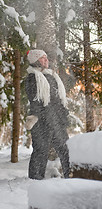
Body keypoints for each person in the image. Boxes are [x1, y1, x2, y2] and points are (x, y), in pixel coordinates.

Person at [25, 49, 70, 180]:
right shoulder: (32, 78)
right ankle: (34, 180)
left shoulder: (51, 77)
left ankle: (70, 177)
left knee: (65, 150)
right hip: (41, 121)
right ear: (35, 61)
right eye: (42, 58)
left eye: (46, 57)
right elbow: (36, 101)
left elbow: (57, 100)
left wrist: (63, 115)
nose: (46, 60)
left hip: (56, 120)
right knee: (40, 151)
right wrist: (42, 117)